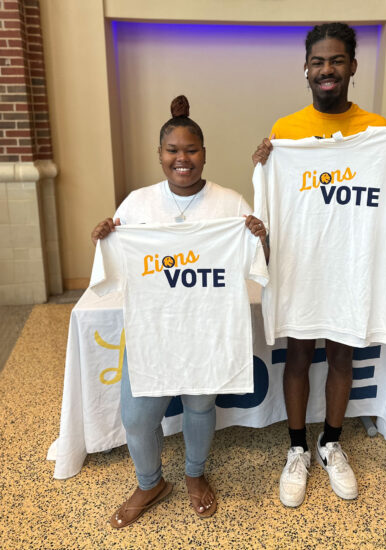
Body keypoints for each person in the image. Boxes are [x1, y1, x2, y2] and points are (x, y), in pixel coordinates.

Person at [252, 22, 386, 508]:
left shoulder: (378, 130)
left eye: (336, 61)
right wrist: (264, 165)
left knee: (343, 356)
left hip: (351, 269)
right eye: (318, 61)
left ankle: (332, 442)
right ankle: (296, 449)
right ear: (305, 69)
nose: (326, 70)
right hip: (303, 265)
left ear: (352, 66)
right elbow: (268, 206)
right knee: (299, 354)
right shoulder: (285, 132)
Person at [91, 95, 267, 528]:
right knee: (136, 415)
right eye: (173, 150)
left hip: (206, 330)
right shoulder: (136, 205)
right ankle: (149, 482)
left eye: (191, 150)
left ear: (204, 154)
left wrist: (259, 237)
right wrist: (105, 240)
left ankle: (193, 474)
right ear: (160, 155)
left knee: (200, 405)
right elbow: (114, 267)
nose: (182, 158)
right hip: (153, 331)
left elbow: (258, 264)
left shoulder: (231, 204)